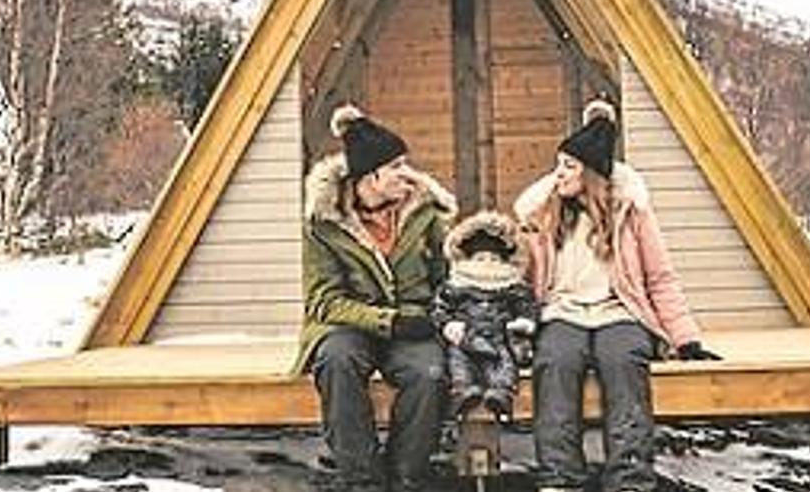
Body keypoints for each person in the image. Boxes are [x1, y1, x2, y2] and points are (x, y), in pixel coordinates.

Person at [514, 99, 722, 492]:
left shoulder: (631, 213)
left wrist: (686, 338)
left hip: (619, 312)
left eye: (569, 167)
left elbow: (660, 277)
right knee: (556, 361)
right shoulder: (545, 215)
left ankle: (630, 479)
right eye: (557, 166)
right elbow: (520, 262)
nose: (558, 175)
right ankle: (561, 478)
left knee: (623, 361)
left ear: (592, 173)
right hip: (563, 312)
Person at [292, 104, 457, 492]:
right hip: (348, 324)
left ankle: (406, 476)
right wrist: (387, 321)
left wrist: (435, 316)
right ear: (371, 175)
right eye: (397, 166)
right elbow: (324, 301)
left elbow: (448, 279)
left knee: (430, 374)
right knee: (336, 361)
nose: (407, 173)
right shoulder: (324, 223)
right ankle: (361, 478)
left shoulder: (426, 214)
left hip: (414, 321)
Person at [431, 210, 539, 418]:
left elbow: (527, 305)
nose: (487, 263)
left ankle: (501, 393)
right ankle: (463, 390)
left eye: (493, 258)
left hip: (500, 338)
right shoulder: (455, 286)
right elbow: (440, 308)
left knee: (505, 364)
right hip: (465, 338)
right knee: (458, 361)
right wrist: (447, 324)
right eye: (480, 258)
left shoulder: (513, 288)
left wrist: (525, 322)